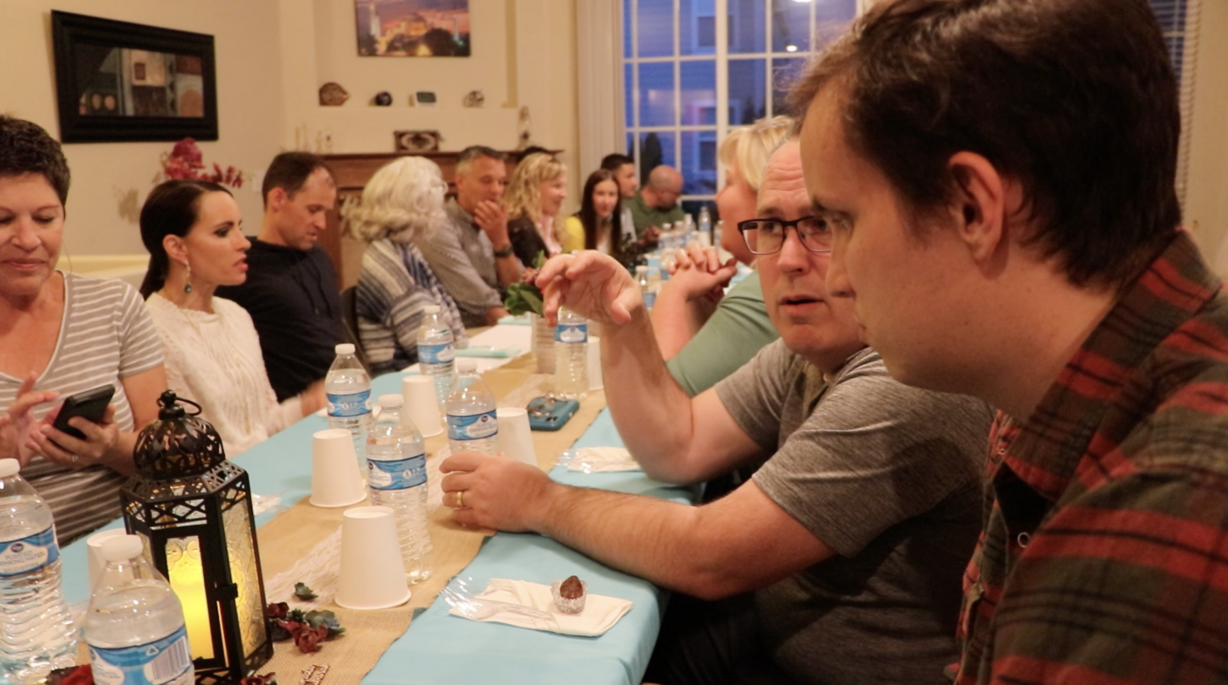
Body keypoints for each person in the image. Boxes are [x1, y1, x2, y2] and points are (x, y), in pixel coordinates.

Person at [441, 141, 994, 685]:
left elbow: (710, 557)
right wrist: (620, 319)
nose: (790, 258)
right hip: (769, 637)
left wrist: (539, 500)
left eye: (821, 224)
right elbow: (675, 445)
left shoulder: (904, 381)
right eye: (771, 227)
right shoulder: (809, 351)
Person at [790, 0, 1228, 683]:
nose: (835, 276)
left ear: (973, 206)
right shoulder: (1039, 391)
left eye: (842, 221)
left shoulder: (1172, 511)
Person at [0, 116, 166, 544]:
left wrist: (111, 447)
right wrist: (4, 466)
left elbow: (165, 451)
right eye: (2, 220)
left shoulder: (113, 305)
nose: (27, 239)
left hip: (131, 545)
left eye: (45, 218)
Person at [138, 180, 326, 456]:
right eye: (223, 232)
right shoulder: (154, 329)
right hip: (226, 478)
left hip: (265, 466)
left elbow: (264, 424)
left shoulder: (236, 315)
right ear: (177, 248)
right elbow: (189, 452)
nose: (244, 242)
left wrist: (308, 405)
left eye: (239, 227)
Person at [653, 116, 790, 396]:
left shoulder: (767, 287)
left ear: (765, 197)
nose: (717, 198)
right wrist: (699, 308)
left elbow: (656, 402)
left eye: (728, 182)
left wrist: (675, 291)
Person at [215, 152, 344, 402]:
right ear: (278, 198)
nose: (322, 223)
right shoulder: (242, 268)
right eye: (313, 210)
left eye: (325, 212)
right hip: (290, 411)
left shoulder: (319, 257)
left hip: (341, 399)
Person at [343, 157, 467, 375]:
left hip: (426, 370)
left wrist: (458, 340)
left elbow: (442, 317)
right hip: (405, 378)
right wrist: (457, 341)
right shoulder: (385, 261)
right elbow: (426, 344)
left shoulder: (403, 248)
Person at [414, 146, 522, 327]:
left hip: (497, 325)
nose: (497, 190)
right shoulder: (439, 224)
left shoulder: (493, 223)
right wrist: (518, 331)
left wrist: (501, 242)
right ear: (460, 182)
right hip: (461, 332)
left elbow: (519, 288)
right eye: (487, 181)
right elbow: (482, 302)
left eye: (501, 182)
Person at [503, 153, 569, 266]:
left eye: (564, 186)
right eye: (557, 186)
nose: (564, 194)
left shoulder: (553, 227)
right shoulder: (521, 228)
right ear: (532, 187)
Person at [562, 169, 623, 256]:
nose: (606, 201)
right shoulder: (573, 224)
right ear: (589, 196)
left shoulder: (609, 226)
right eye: (600, 194)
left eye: (612, 194)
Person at [626, 164, 684, 239]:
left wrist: (663, 235)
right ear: (662, 192)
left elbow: (685, 230)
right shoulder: (628, 206)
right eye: (676, 193)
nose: (679, 196)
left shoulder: (670, 206)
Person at [601, 153, 641, 255]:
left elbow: (630, 248)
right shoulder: (588, 215)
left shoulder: (625, 211)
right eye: (629, 176)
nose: (635, 182)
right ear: (611, 177)